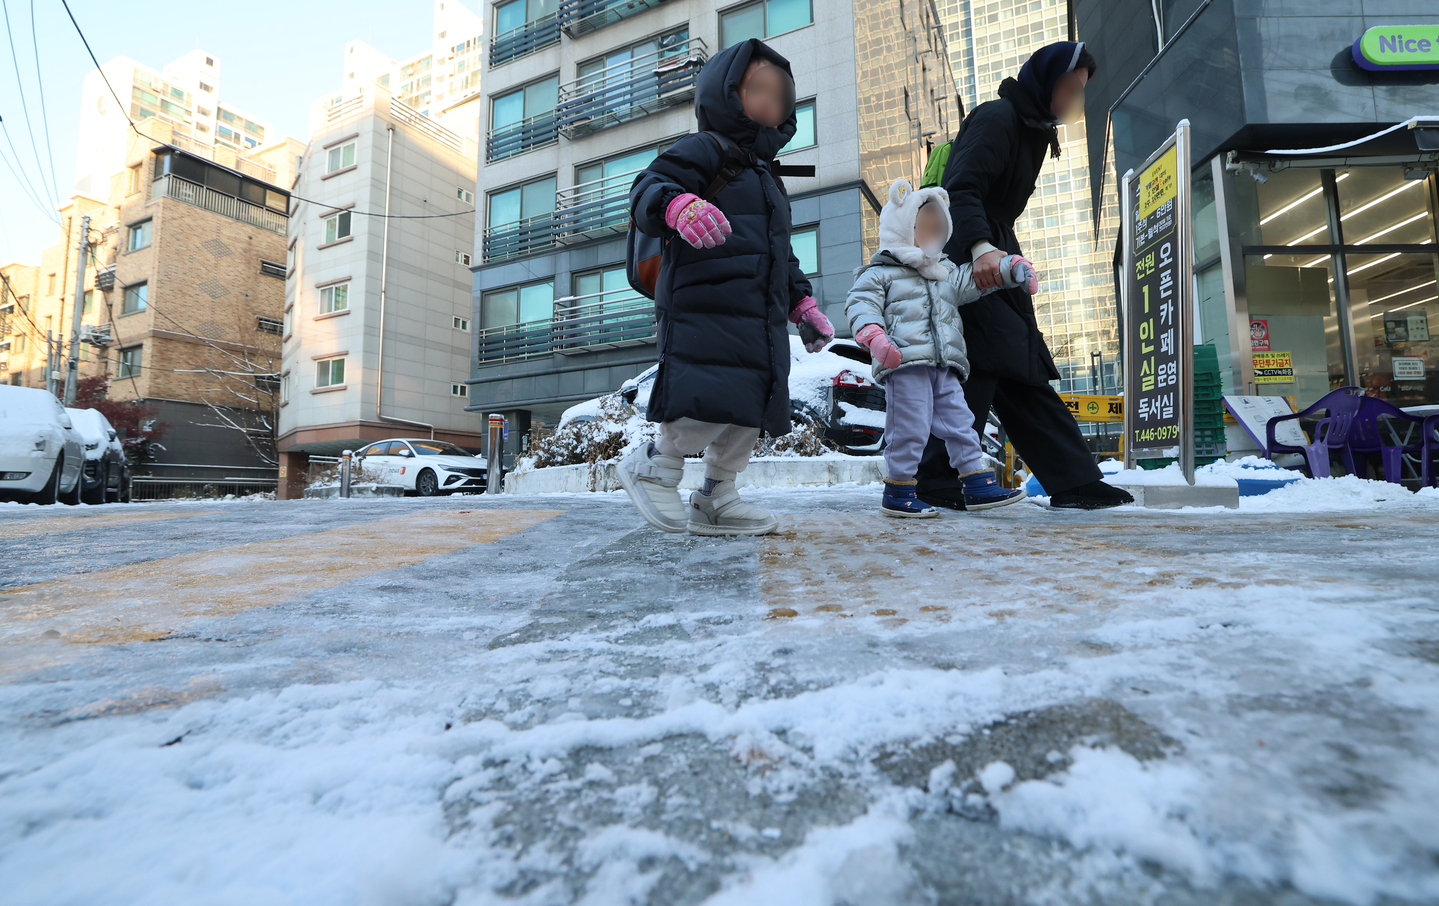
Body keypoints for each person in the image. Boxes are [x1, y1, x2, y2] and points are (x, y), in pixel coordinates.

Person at [619, 39, 834, 536]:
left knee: (749, 408)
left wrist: (802, 303)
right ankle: (654, 465)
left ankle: (717, 495)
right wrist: (677, 206)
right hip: (705, 306)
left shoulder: (769, 179)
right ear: (725, 92)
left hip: (759, 316)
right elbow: (647, 187)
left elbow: (781, 251)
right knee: (709, 397)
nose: (769, 101)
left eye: (780, 95)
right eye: (756, 87)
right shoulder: (705, 148)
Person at [918, 41, 1134, 511]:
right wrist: (981, 250)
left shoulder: (1032, 127)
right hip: (965, 250)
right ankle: (936, 478)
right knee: (981, 360)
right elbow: (961, 187)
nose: (1073, 98)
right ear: (1044, 79)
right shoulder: (999, 117)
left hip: (993, 246)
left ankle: (1072, 479)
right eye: (1069, 86)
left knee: (1015, 363)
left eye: (1080, 90)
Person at [847, 178, 1033, 518]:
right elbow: (861, 306)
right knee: (910, 427)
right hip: (904, 364)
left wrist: (1011, 269)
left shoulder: (943, 272)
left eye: (937, 228)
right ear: (901, 228)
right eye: (922, 227)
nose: (930, 234)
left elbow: (976, 279)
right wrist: (875, 338)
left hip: (944, 365)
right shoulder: (880, 274)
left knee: (962, 423)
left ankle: (975, 483)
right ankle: (899, 489)